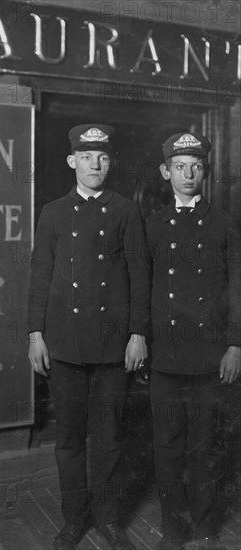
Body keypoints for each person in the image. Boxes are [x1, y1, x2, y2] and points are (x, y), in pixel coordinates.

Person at [28, 123, 150, 550]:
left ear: (109, 162)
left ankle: (109, 518)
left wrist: (138, 333)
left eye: (101, 157)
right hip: (64, 344)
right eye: (85, 156)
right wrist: (34, 334)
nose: (94, 164)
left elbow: (140, 277)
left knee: (110, 438)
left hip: (113, 345)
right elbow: (40, 275)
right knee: (68, 439)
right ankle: (74, 519)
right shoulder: (53, 212)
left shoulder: (125, 210)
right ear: (71, 161)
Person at [146, 132, 241, 550]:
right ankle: (172, 527)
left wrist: (235, 345)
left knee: (204, 448)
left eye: (197, 166)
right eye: (180, 166)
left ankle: (203, 526)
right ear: (166, 172)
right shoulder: (151, 225)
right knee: (167, 448)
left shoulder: (222, 225)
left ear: (205, 172)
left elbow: (237, 288)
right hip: (165, 356)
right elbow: (142, 289)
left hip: (209, 355)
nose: (189, 174)